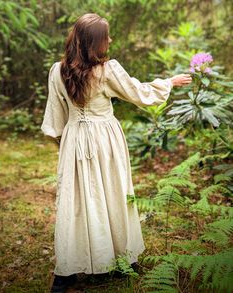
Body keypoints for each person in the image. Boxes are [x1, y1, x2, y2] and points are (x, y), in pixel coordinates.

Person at [41, 12, 192, 293]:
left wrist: (65, 146)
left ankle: (70, 273)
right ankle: (120, 260)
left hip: (75, 138)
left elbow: (56, 120)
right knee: (111, 193)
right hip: (105, 138)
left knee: (77, 200)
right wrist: (169, 82)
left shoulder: (56, 70)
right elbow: (139, 93)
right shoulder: (108, 69)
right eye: (105, 37)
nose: (110, 40)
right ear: (93, 43)